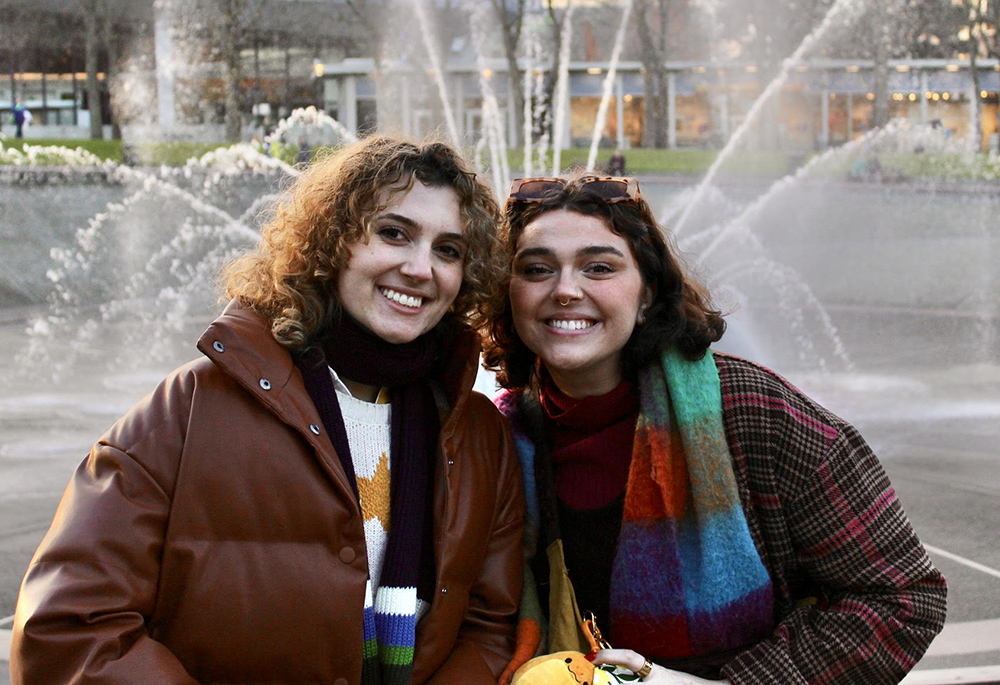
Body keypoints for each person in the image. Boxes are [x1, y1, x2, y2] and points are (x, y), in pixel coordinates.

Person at [11, 136, 525, 684]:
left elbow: (487, 626)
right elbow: (68, 627)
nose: (420, 268)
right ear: (333, 242)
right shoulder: (188, 411)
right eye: (393, 233)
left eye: (448, 250)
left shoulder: (477, 435)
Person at [482, 175, 947, 685]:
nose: (566, 290)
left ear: (646, 294)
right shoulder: (497, 439)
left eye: (599, 267)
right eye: (537, 269)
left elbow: (902, 597)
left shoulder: (754, 412)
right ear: (510, 294)